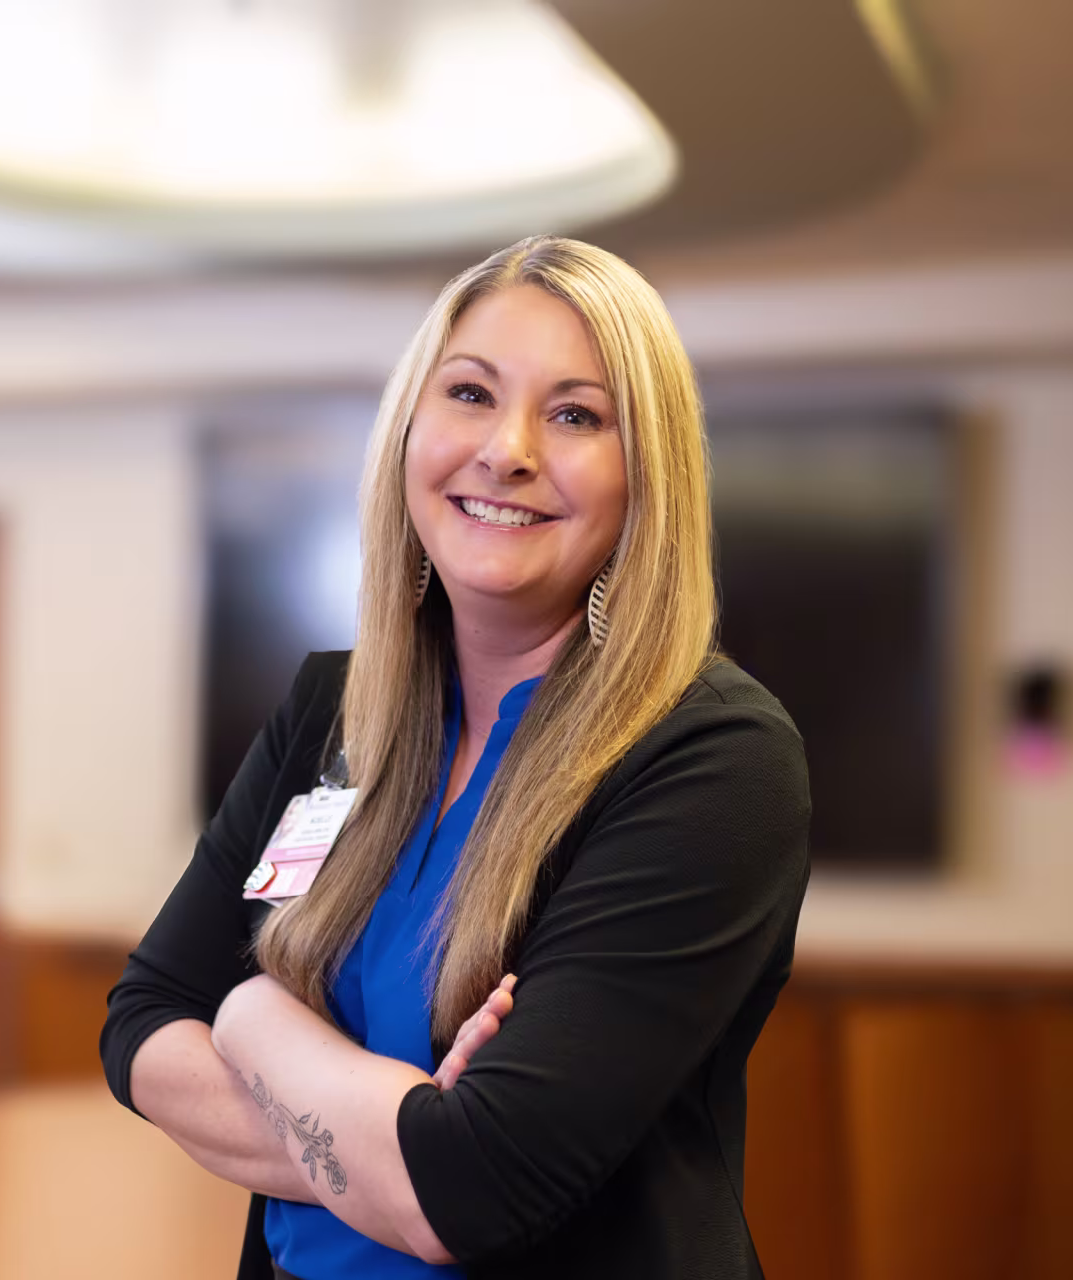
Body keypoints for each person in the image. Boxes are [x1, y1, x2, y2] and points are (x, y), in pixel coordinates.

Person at [99, 236, 811, 1279]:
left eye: (576, 413)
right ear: (409, 431)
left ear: (642, 481)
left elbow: (470, 1187)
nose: (508, 448)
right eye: (470, 393)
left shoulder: (714, 759)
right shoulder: (334, 716)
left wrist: (249, 1017)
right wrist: (395, 1130)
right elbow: (146, 1020)